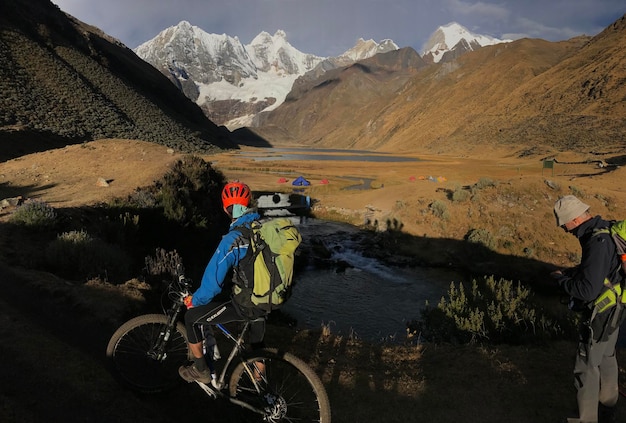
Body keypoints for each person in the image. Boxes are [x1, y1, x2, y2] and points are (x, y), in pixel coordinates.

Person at [178, 181, 267, 386]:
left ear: (226, 209)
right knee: (257, 345)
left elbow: (212, 284)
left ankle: (201, 371)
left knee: (192, 317)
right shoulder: (260, 229)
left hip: (246, 304)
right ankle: (264, 391)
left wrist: (195, 300)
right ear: (248, 204)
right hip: (266, 299)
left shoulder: (233, 239)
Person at [551, 195, 622, 423]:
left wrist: (561, 281)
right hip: (617, 308)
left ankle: (587, 419)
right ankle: (609, 407)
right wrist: (573, 272)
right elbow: (601, 272)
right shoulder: (605, 229)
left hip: (599, 314)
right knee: (607, 356)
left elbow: (587, 291)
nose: (564, 229)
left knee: (586, 365)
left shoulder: (595, 242)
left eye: (563, 224)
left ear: (573, 220)